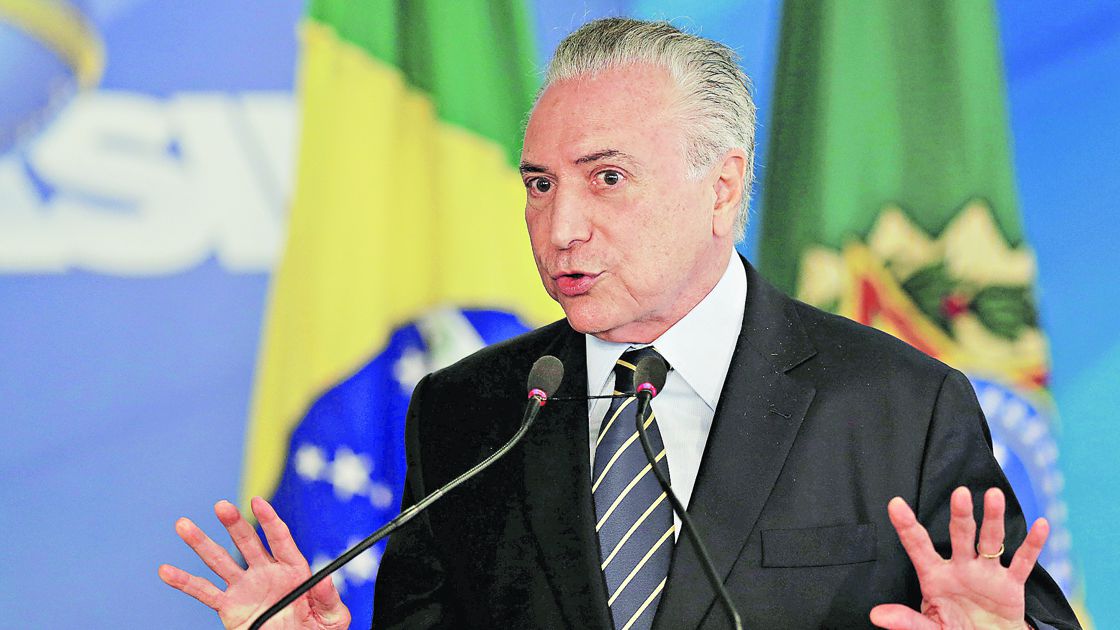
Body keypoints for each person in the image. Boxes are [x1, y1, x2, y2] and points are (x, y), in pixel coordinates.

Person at [159, 18, 1081, 630]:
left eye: (607, 178)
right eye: (538, 185)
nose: (561, 228)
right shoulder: (472, 411)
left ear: (722, 187)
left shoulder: (896, 404)